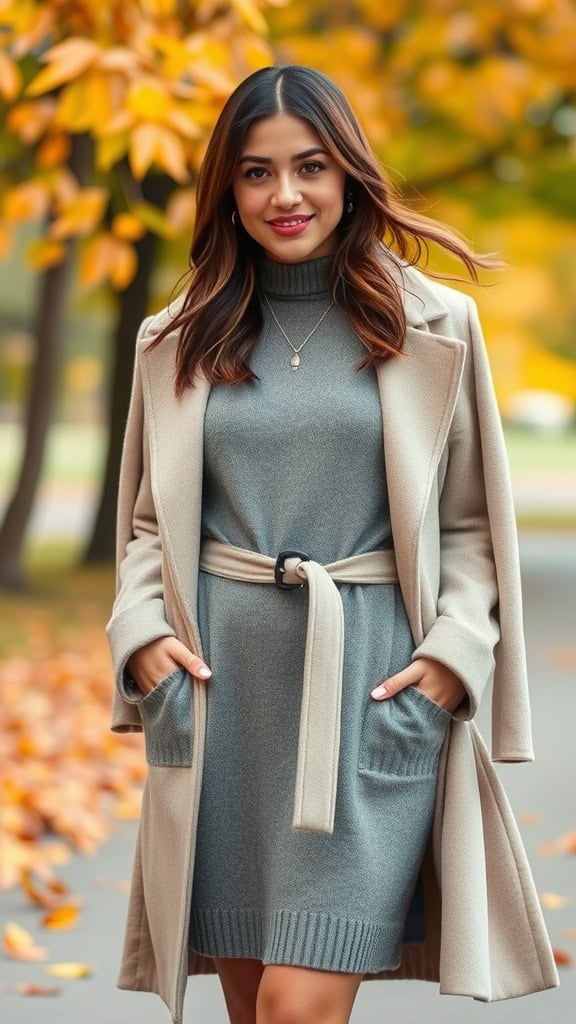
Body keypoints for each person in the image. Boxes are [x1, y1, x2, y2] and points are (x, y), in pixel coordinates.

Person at [106, 65, 558, 1024]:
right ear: (226, 188)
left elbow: (471, 524)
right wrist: (144, 642)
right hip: (219, 702)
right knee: (251, 1009)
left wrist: (448, 665)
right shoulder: (175, 337)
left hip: (370, 702)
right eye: (257, 173)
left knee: (296, 1006)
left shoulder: (434, 325)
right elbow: (150, 522)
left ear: (349, 173)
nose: (286, 195)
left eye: (309, 167)